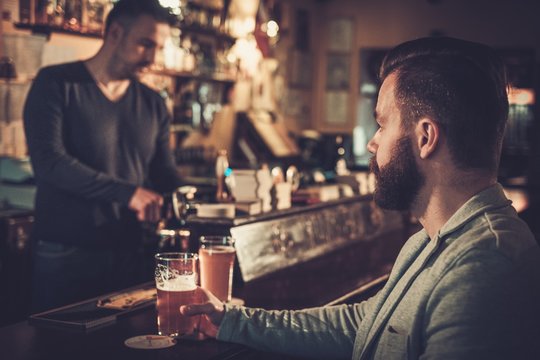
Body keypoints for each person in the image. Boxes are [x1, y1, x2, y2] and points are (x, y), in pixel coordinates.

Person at [180, 37, 540, 359]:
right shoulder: (430, 241)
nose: (372, 142)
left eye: (382, 125)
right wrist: (230, 320)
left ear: (426, 137)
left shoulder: (484, 266)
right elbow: (367, 324)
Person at [23, 0, 182, 312]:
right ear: (115, 33)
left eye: (158, 48)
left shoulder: (153, 103)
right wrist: (128, 193)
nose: (151, 57)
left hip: (131, 249)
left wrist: (201, 197)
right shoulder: (56, 84)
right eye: (144, 44)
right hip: (67, 250)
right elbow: (49, 163)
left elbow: (164, 172)